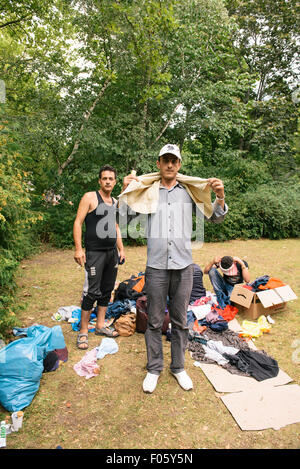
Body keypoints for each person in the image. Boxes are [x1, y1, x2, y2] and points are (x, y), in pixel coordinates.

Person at [120, 144, 228, 393]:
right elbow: (123, 215)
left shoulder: (189, 191)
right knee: (154, 321)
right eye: (165, 160)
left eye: (174, 160)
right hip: (156, 266)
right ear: (158, 164)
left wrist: (220, 197)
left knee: (180, 321)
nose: (169, 165)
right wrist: (126, 189)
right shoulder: (147, 190)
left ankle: (178, 367)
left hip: (183, 266)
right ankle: (154, 368)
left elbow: (215, 217)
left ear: (179, 165)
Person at [73, 165, 125, 350]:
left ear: (115, 182)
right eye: (105, 178)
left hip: (111, 253)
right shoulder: (90, 197)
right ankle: (83, 331)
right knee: (92, 292)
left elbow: (116, 227)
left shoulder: (115, 202)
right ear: (99, 181)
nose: (108, 181)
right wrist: (79, 249)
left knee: (107, 290)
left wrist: (121, 249)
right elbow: (78, 223)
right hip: (94, 252)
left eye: (111, 178)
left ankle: (100, 326)